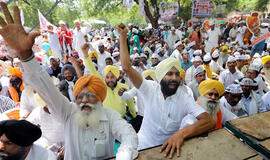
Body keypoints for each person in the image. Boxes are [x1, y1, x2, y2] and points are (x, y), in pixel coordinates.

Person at [0, 3, 138, 160]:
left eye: (91, 95)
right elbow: (45, 87)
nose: (84, 100)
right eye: (80, 96)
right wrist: (25, 55)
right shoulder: (68, 112)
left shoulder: (110, 117)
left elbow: (129, 137)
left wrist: (123, 156)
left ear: (100, 99)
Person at [116, 23, 215, 158]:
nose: (174, 78)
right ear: (161, 77)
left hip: (169, 148)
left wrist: (181, 134)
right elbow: (127, 67)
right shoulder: (149, 88)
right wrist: (123, 37)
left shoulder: (184, 97)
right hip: (143, 144)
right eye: (169, 74)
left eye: (177, 74)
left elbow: (209, 121)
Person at [81, 43, 136, 118]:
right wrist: (85, 54)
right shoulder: (102, 86)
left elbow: (130, 103)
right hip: (106, 120)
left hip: (121, 119)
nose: (109, 80)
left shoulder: (124, 87)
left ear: (116, 77)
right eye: (107, 77)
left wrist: (134, 116)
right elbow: (92, 69)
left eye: (112, 77)